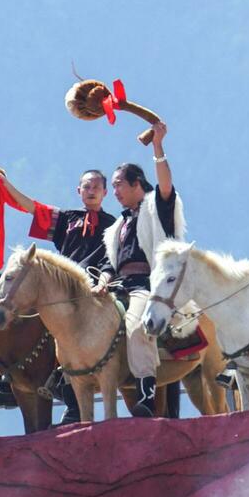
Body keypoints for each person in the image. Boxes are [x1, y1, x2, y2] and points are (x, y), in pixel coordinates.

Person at [0, 168, 116, 423]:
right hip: (59, 289)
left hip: (94, 290)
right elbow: (31, 207)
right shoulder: (66, 219)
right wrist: (6, 185)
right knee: (19, 317)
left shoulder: (114, 225)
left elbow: (114, 259)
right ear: (79, 191)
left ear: (105, 192)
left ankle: (74, 403)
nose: (91, 191)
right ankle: (7, 382)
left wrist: (104, 282)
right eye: (86, 186)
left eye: (96, 187)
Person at [95, 122, 181, 417]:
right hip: (118, 286)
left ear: (137, 184)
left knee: (137, 325)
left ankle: (146, 391)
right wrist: (103, 281)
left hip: (148, 285)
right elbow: (109, 262)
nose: (114, 190)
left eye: (119, 184)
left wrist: (158, 147)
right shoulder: (118, 226)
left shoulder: (155, 208)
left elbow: (166, 187)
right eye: (115, 185)